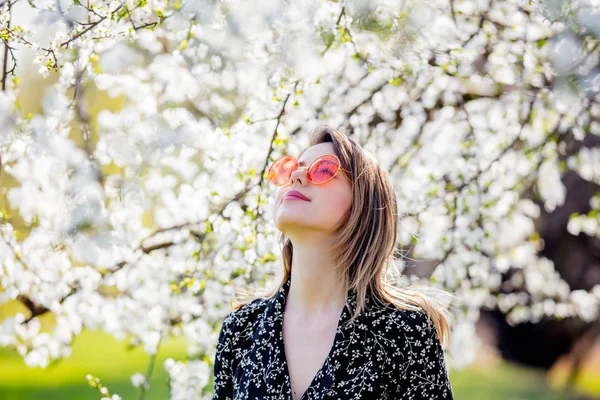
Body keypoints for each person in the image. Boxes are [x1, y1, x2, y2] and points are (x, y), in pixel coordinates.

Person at [212, 125, 455, 399]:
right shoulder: (241, 328)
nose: (297, 176)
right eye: (290, 168)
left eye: (323, 170)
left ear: (363, 203)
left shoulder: (405, 331)